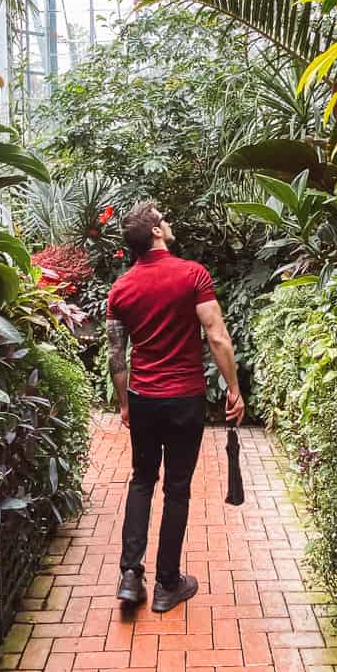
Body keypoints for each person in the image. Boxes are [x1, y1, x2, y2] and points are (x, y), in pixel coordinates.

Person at [105, 200, 244, 613]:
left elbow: (117, 356)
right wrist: (234, 389)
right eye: (163, 220)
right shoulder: (192, 275)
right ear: (155, 233)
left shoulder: (121, 288)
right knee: (177, 488)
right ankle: (167, 582)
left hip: (145, 399)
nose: (169, 223)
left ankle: (131, 576)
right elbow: (217, 336)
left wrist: (124, 402)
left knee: (142, 480)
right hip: (184, 399)